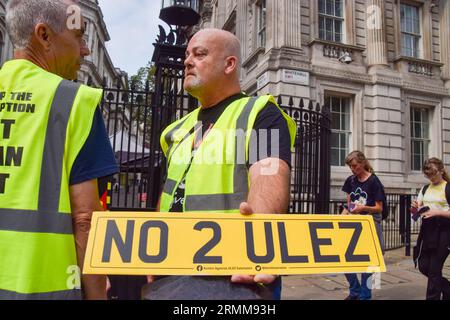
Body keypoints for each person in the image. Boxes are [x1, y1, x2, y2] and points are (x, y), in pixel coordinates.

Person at [150, 28, 297, 300]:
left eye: (200, 53)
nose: (187, 61)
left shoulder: (259, 112)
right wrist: (153, 249)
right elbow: (170, 191)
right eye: (186, 55)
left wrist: (258, 246)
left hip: (234, 278)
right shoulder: (176, 130)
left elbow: (269, 179)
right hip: (171, 272)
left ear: (229, 64)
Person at [0, 0, 118, 299]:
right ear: (44, 36)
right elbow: (85, 219)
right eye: (79, 37)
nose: (86, 50)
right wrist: (96, 294)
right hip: (40, 288)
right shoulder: (74, 101)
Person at [341, 151, 385, 300]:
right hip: (353, 223)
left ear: (362, 163)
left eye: (354, 166)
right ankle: (355, 290)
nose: (353, 170)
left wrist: (363, 209)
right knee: (344, 257)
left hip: (370, 223)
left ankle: (365, 295)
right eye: (350, 167)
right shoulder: (350, 181)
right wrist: (341, 217)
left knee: (370, 261)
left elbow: (379, 208)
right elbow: (349, 205)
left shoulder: (374, 182)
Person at [412, 158, 450, 300]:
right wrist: (416, 207)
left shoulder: (448, 188)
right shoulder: (425, 188)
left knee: (434, 270)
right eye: (428, 175)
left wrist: (437, 212)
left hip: (444, 232)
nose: (431, 178)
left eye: (433, 174)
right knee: (423, 266)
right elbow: (418, 209)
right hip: (427, 232)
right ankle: (447, 289)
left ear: (441, 171)